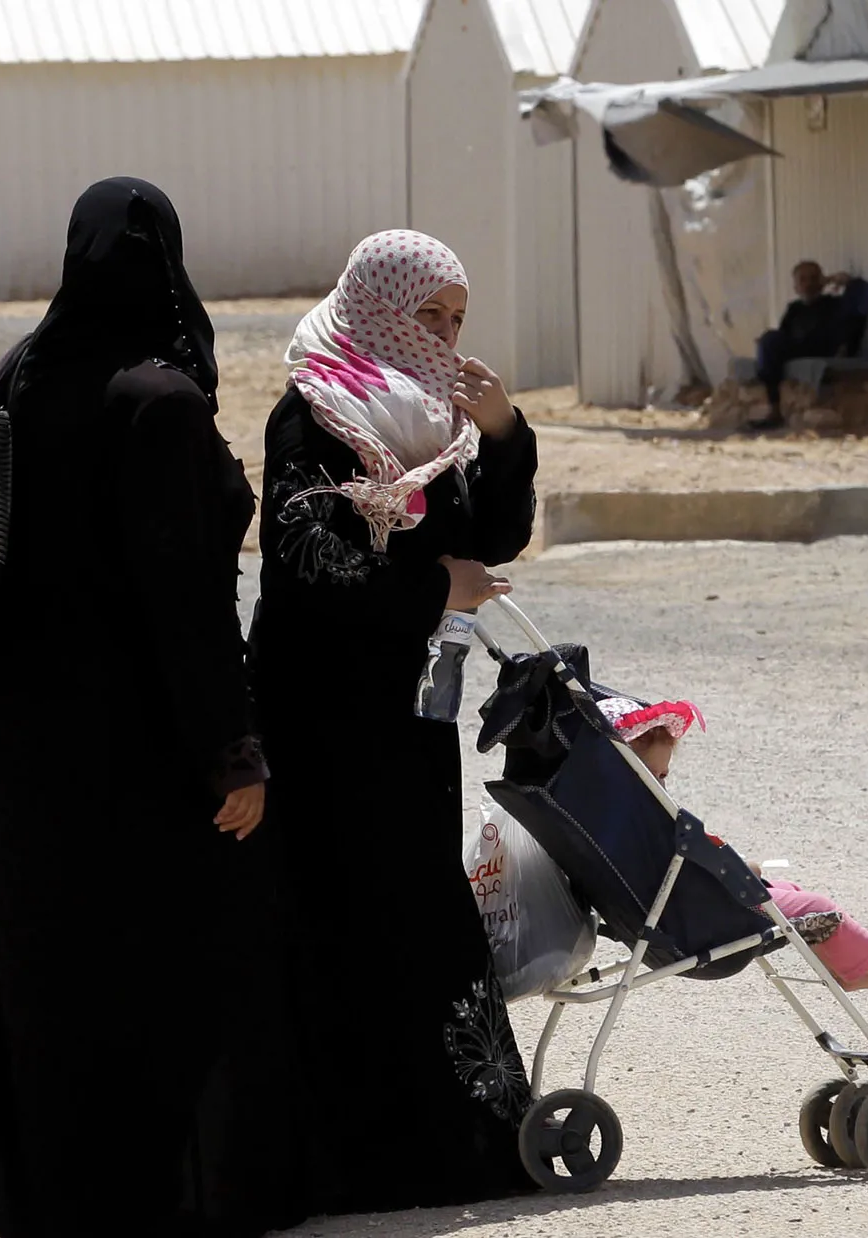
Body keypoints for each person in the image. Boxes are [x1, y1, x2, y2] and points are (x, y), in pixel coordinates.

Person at [0, 178, 301, 1238]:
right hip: (128, 740)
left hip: (6, 736)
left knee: (42, 967)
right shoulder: (156, 403)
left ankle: (54, 1193)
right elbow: (185, 604)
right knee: (154, 961)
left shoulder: (9, 381)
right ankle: (154, 1196)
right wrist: (234, 750)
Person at [249, 230, 539, 1212]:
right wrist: (433, 585)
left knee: (416, 905)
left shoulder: (434, 420)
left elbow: (492, 538)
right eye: (430, 316)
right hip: (319, 709)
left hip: (408, 712)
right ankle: (338, 1157)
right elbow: (302, 553)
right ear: (378, 305)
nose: (448, 337)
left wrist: (503, 435)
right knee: (333, 908)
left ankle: (460, 1147)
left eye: (458, 320)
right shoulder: (317, 411)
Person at [600, 695, 868, 990]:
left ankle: (851, 969)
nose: (661, 786)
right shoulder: (648, 825)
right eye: (654, 776)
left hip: (669, 917)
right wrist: (745, 867)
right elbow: (694, 869)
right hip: (703, 923)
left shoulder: (613, 825)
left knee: (788, 889)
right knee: (818, 908)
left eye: (664, 777)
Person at [749, 261, 866, 431]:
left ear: (822, 281)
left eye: (813, 279)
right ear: (796, 287)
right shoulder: (794, 309)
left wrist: (840, 280)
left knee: (770, 341)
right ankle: (772, 405)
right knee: (769, 340)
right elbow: (784, 334)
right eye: (803, 280)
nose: (808, 284)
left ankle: (774, 409)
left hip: (821, 348)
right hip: (798, 348)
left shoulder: (834, 304)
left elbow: (863, 294)